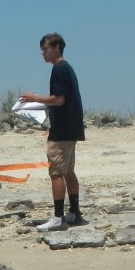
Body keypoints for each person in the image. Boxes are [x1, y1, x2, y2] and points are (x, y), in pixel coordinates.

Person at [21, 32, 84, 230]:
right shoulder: (67, 68)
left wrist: (34, 98)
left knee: (56, 172)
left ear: (56, 48)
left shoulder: (59, 68)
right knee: (68, 171)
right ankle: (74, 212)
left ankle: (58, 217)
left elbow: (58, 99)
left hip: (62, 129)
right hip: (72, 128)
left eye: (45, 49)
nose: (43, 53)